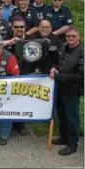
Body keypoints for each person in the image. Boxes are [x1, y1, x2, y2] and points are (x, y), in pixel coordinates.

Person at [50, 26, 83, 156]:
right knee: (62, 115)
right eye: (68, 36)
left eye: (73, 36)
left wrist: (58, 76)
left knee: (72, 118)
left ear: (78, 37)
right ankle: (64, 137)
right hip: (60, 88)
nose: (70, 38)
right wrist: (54, 69)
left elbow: (80, 76)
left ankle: (72, 144)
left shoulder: (81, 52)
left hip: (72, 90)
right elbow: (59, 64)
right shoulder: (64, 47)